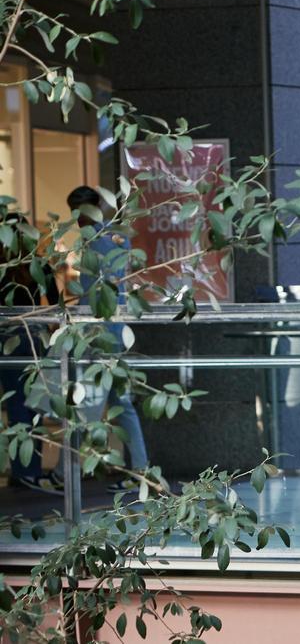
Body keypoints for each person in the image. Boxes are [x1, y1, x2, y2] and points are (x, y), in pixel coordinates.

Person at [65, 186, 149, 493]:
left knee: (84, 401)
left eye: (81, 213)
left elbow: (99, 290)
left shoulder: (96, 240)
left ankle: (74, 469)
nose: (80, 220)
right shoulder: (115, 237)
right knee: (120, 403)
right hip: (112, 332)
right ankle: (140, 471)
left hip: (100, 335)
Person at [1, 212, 63, 493]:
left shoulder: (3, 266)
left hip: (6, 338)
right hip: (31, 338)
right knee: (30, 402)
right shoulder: (38, 264)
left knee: (15, 403)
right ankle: (30, 469)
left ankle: (23, 469)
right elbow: (54, 301)